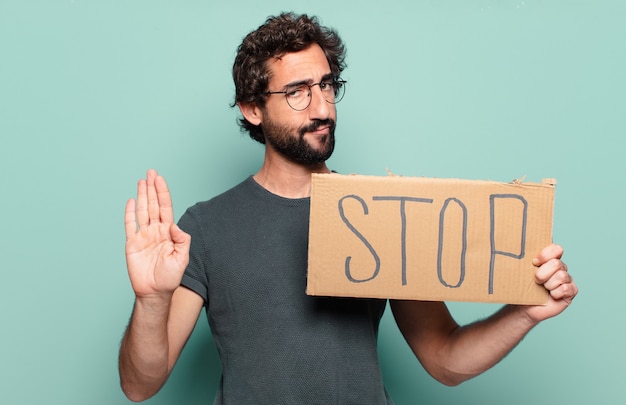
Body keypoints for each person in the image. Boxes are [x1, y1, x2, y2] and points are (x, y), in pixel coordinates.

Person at [119, 12, 578, 404]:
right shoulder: (205, 227)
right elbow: (141, 385)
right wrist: (152, 300)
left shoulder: (382, 211)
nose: (322, 107)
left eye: (326, 85)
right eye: (297, 91)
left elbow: (446, 359)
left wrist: (525, 311)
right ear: (252, 109)